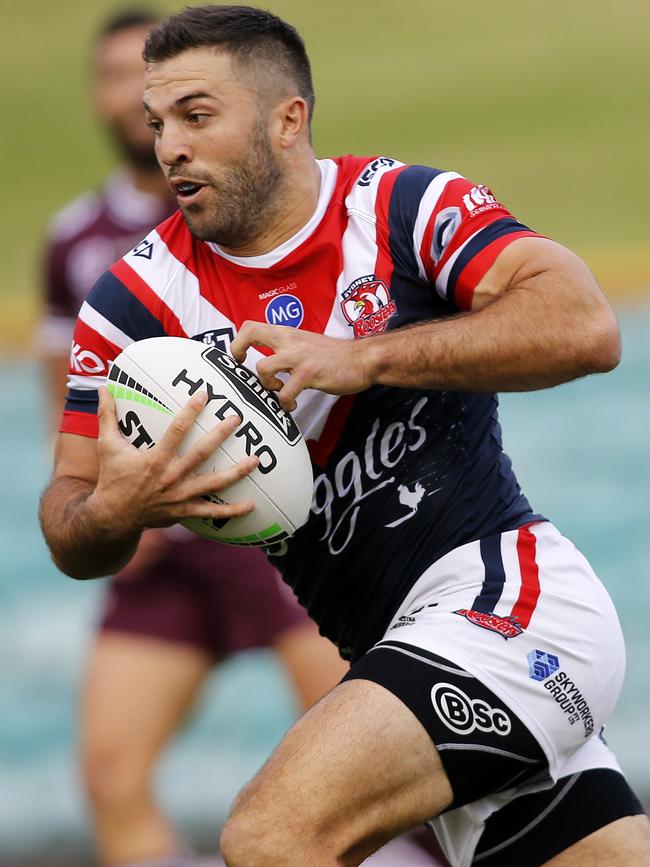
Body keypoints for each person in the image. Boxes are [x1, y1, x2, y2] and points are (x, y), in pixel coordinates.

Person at [38, 5, 650, 867]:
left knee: (273, 833)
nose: (168, 145)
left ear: (288, 119)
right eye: (158, 121)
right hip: (397, 645)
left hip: (511, 603)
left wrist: (363, 359)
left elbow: (587, 327)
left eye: (197, 115)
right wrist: (116, 506)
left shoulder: (401, 206)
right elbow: (68, 518)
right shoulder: (132, 306)